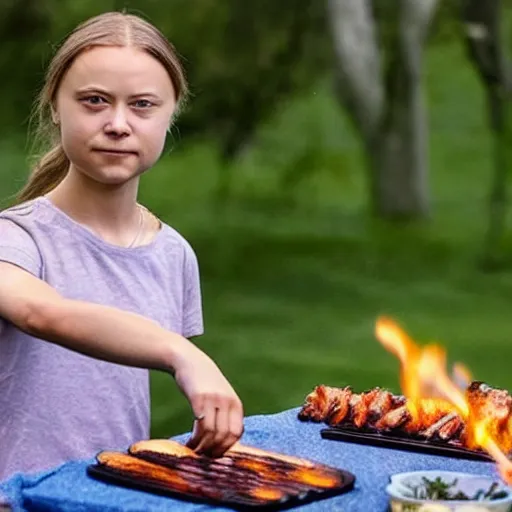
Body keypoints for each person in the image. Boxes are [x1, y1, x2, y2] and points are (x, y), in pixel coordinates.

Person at [0, 11, 244, 483]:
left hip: (112, 495)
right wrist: (181, 353)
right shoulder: (16, 237)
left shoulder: (173, 254)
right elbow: (41, 313)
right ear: (55, 105)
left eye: (142, 105)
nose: (117, 123)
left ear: (172, 113)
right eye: (94, 101)